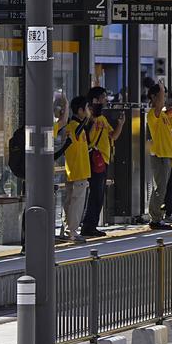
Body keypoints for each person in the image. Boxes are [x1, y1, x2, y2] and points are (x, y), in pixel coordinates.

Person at [79, 87, 125, 237]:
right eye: (103, 97)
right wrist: (91, 118)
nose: (105, 100)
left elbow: (114, 136)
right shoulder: (89, 117)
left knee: (98, 194)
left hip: (103, 159)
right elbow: (88, 137)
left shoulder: (103, 119)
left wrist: (121, 124)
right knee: (96, 194)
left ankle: (91, 225)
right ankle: (88, 226)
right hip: (95, 160)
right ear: (96, 100)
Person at [59, 96, 92, 243]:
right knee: (76, 203)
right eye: (86, 108)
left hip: (76, 170)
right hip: (77, 170)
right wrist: (87, 119)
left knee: (70, 203)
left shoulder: (76, 127)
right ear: (80, 110)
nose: (88, 111)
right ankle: (72, 231)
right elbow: (77, 132)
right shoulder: (73, 125)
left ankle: (67, 230)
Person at [145, 83, 172, 230]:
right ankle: (155, 218)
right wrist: (161, 88)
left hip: (167, 154)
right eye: (162, 94)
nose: (165, 97)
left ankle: (157, 217)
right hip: (160, 155)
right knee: (160, 188)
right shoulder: (153, 113)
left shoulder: (163, 115)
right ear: (154, 97)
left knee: (162, 188)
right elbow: (159, 104)